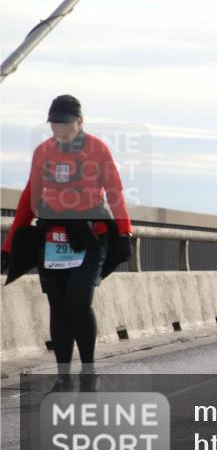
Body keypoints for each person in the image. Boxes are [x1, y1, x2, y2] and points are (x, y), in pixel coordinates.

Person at [1, 95, 134, 392]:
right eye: (54, 124)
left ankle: (88, 371)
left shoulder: (97, 149)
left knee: (78, 302)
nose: (60, 130)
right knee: (58, 306)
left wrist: (124, 233)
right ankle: (63, 376)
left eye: (66, 124)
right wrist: (10, 245)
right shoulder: (43, 151)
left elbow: (114, 193)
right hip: (52, 238)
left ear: (80, 122)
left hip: (90, 238)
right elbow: (28, 198)